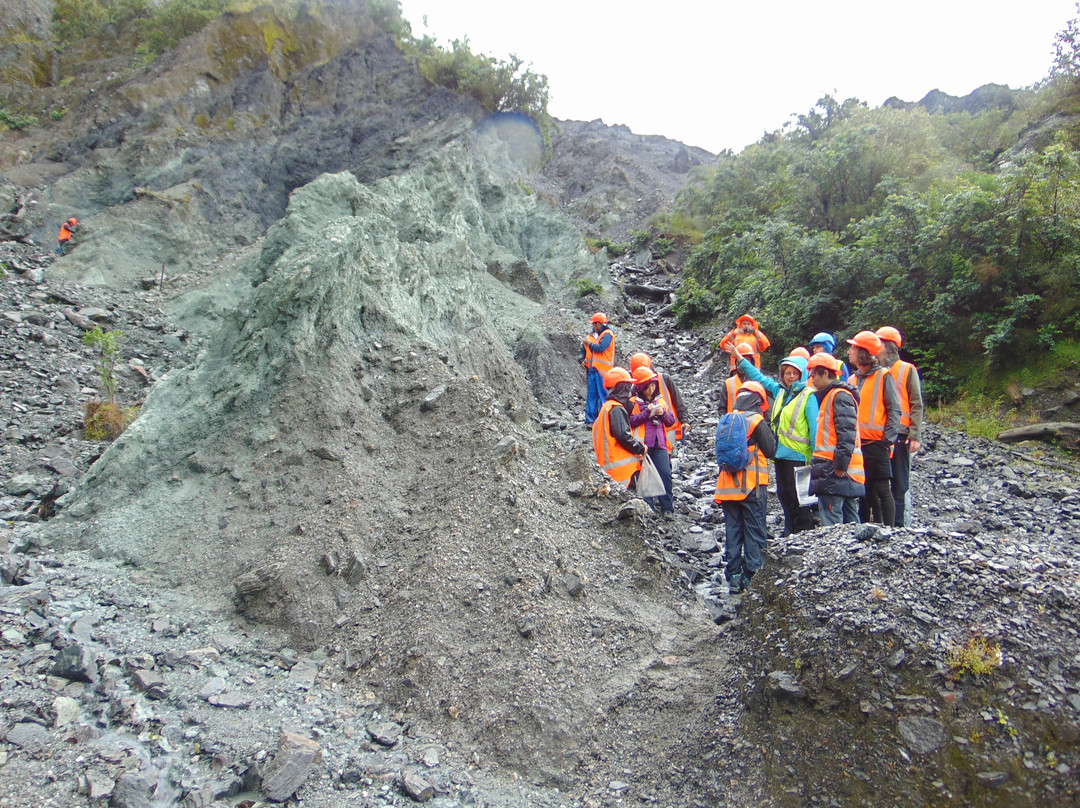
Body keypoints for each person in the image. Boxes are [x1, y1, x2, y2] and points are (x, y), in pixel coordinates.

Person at [738, 353, 819, 535]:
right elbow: (760, 378)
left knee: (799, 497)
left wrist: (816, 457)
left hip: (798, 456)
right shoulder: (781, 392)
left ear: (802, 375)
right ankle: (790, 529)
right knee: (784, 494)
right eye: (787, 373)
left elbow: (814, 429)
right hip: (780, 455)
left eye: (794, 373)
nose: (790, 377)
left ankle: (803, 531)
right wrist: (741, 360)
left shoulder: (808, 396)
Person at [713, 382, 775, 594]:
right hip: (751, 485)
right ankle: (752, 576)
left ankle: (733, 576)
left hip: (726, 486)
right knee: (755, 528)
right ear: (759, 400)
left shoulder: (726, 420)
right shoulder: (756, 420)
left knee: (733, 531)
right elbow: (771, 449)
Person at [846, 331, 901, 527]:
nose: (849, 351)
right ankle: (870, 529)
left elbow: (894, 409)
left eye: (853, 348)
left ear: (863, 352)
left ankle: (890, 529)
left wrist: (887, 439)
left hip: (877, 443)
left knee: (882, 489)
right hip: (859, 446)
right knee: (864, 490)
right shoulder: (852, 380)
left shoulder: (883, 375)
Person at [807, 353, 866, 525]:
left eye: (814, 375)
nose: (811, 380)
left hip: (835, 470)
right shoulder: (833, 396)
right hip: (837, 470)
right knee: (850, 522)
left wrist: (840, 464)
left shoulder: (839, 396)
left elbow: (846, 433)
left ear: (825, 373)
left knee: (833, 523)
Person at [876, 326, 924, 527]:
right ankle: (882, 522)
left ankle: (899, 525)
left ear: (888, 346)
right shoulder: (876, 371)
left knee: (900, 483)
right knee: (880, 482)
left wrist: (915, 434)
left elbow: (916, 403)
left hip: (901, 435)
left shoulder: (906, 369)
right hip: (881, 435)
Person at [629, 366, 676, 518]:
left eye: (653, 385)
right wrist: (647, 413)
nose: (651, 389)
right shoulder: (633, 403)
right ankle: (648, 508)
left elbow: (671, 422)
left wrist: (662, 414)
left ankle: (667, 508)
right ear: (641, 388)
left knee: (665, 474)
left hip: (659, 443)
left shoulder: (660, 401)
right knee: (646, 476)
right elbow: (631, 422)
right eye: (648, 386)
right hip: (643, 445)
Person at [592, 367, 645, 488]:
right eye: (628, 385)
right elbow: (623, 435)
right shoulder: (616, 409)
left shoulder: (606, 408)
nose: (629, 390)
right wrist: (640, 448)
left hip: (610, 468)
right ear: (622, 387)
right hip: (621, 470)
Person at [629, 352, 687, 461]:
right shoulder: (635, 387)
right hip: (648, 430)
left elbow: (677, 400)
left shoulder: (664, 379)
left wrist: (684, 419)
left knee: (668, 458)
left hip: (668, 424)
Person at [580, 313, 615, 425]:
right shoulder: (600, 336)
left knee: (603, 396)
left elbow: (600, 348)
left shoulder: (608, 334)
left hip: (602, 372)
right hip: (593, 370)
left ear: (599, 324)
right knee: (592, 396)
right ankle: (590, 420)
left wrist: (589, 344)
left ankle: (606, 421)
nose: (593, 327)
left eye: (594, 324)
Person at [717, 343, 757, 415]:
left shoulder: (758, 383)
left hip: (754, 424)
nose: (742, 365)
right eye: (739, 361)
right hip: (733, 424)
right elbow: (722, 409)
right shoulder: (728, 383)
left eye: (747, 360)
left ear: (752, 362)